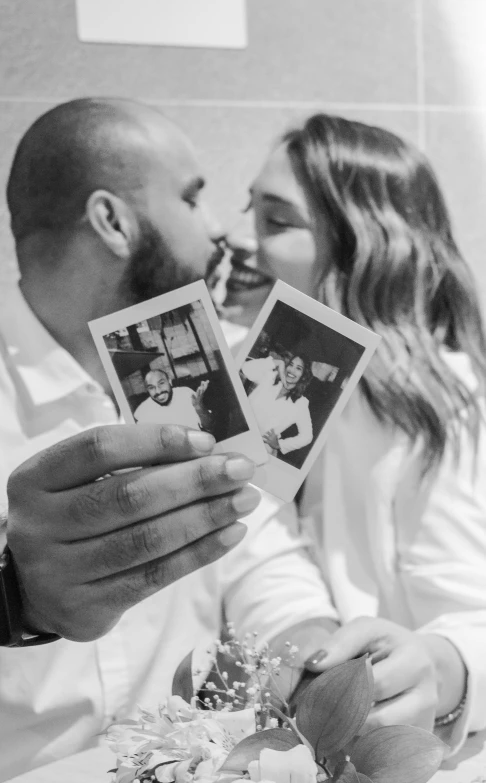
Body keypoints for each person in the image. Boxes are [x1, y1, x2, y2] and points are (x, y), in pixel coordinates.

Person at [0, 98, 338, 782]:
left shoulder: (225, 364)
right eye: (195, 199)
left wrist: (311, 654)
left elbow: (263, 559)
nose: (220, 231)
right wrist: (1, 585)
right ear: (112, 221)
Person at [222, 113, 486, 753]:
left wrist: (442, 669)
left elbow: (471, 605)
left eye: (277, 222)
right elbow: (258, 547)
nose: (237, 241)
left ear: (363, 243)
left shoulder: (440, 396)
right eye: (248, 212)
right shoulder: (262, 378)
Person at [241, 353, 313, 456]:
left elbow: (307, 437)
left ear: (303, 376)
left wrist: (280, 445)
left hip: (259, 446)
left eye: (298, 368)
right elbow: (246, 368)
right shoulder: (271, 377)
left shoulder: (300, 403)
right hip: (238, 426)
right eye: (290, 365)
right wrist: (277, 362)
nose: (291, 370)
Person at [134, 369, 211, 430]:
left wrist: (198, 407)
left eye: (161, 383)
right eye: (151, 387)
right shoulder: (143, 411)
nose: (158, 391)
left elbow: (210, 427)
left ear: (169, 381)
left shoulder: (186, 393)